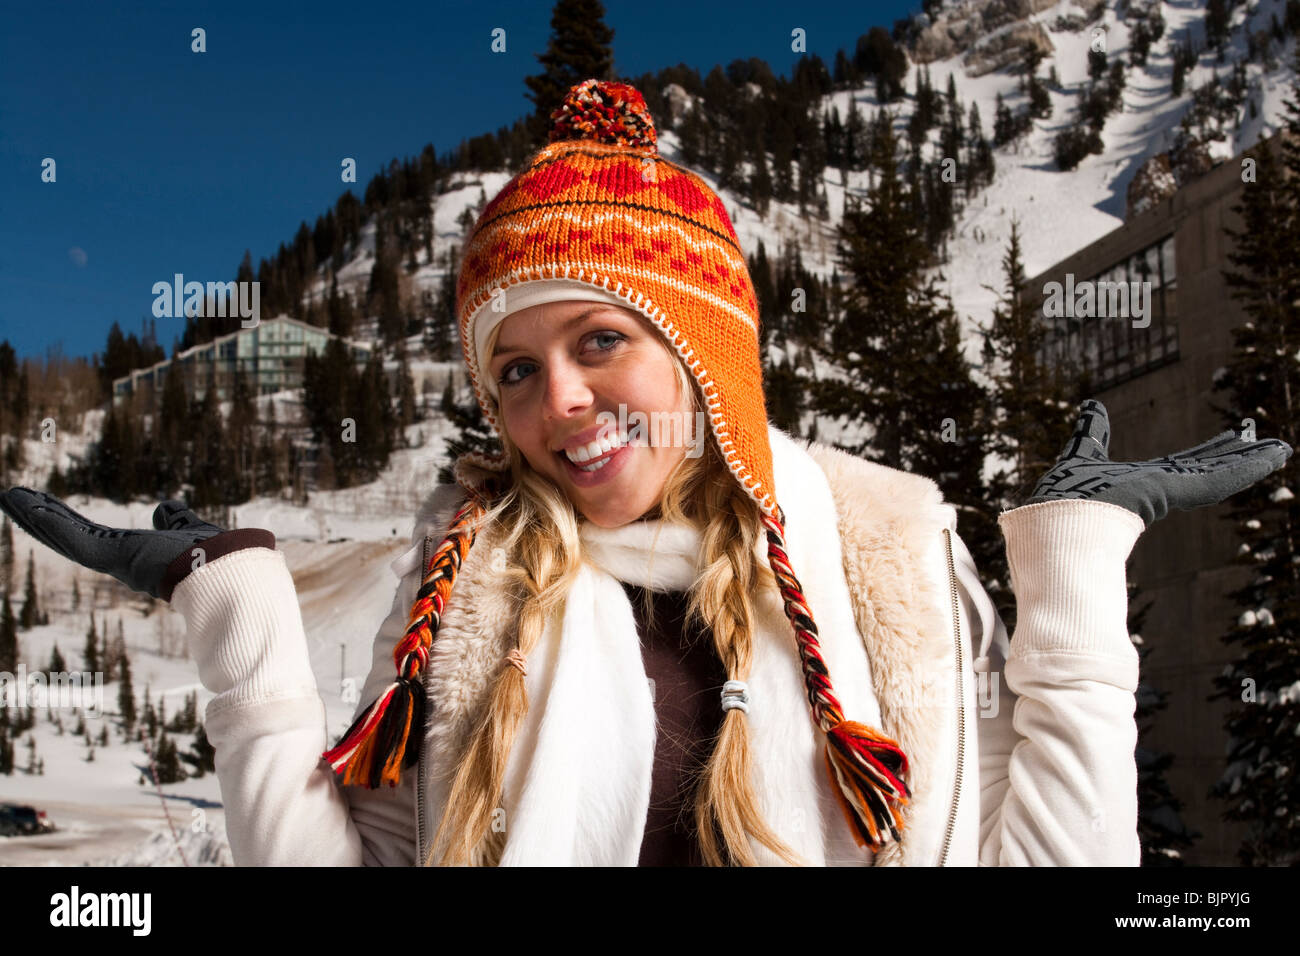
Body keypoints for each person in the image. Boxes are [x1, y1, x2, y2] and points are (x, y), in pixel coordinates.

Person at [1, 79, 1290, 867]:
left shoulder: (887, 550)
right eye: (513, 370)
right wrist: (240, 623)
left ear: (705, 351)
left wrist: (1072, 577)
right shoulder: (468, 588)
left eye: (599, 340)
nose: (556, 401)